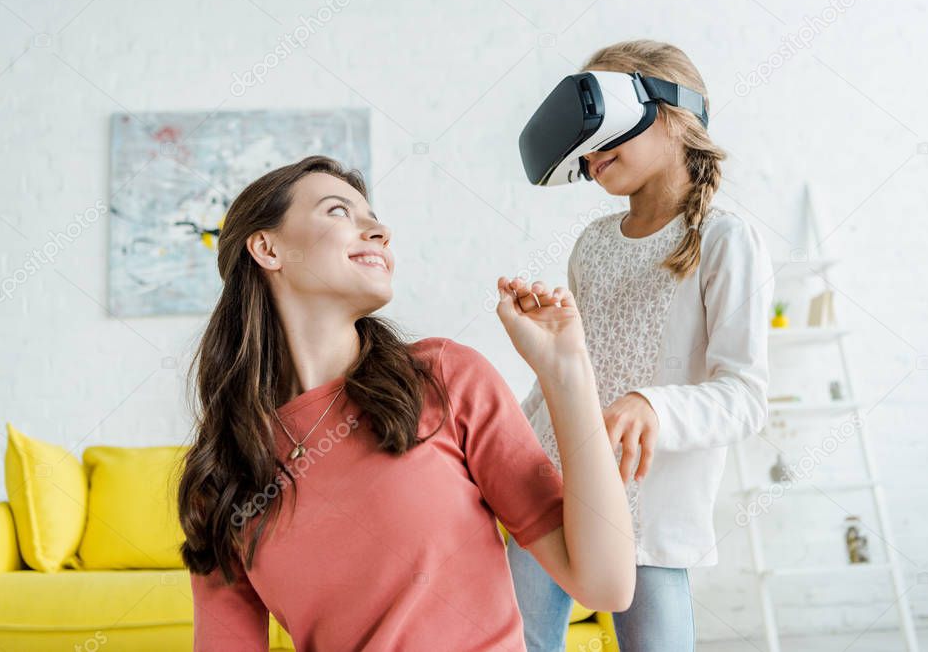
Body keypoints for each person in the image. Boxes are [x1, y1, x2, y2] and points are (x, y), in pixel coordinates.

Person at [176, 155, 635, 651]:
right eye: (338, 211)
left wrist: (566, 373)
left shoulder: (443, 377)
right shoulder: (223, 474)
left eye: (373, 217)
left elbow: (605, 583)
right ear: (267, 248)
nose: (379, 230)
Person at [507, 39, 774, 652]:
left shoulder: (724, 240)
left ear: (672, 115)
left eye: (608, 130)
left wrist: (652, 405)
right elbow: (564, 376)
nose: (593, 152)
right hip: (549, 488)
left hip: (643, 514)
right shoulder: (592, 242)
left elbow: (745, 397)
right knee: (521, 642)